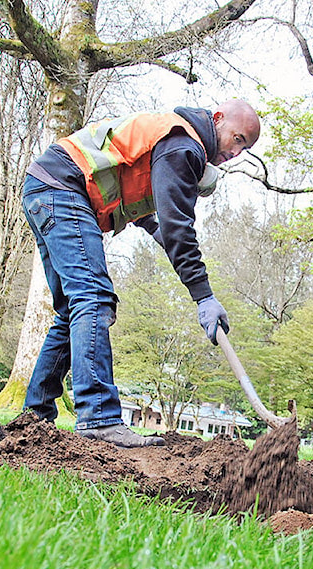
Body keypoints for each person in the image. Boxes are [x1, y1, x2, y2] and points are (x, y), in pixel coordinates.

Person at [21, 100, 261, 448]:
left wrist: (163, 236)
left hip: (45, 187)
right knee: (94, 298)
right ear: (219, 118)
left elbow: (148, 208)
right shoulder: (184, 145)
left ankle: (35, 418)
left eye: (245, 148)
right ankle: (99, 418)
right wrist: (203, 295)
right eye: (237, 139)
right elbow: (179, 227)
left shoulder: (173, 136)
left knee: (74, 309)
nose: (236, 152)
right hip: (63, 188)